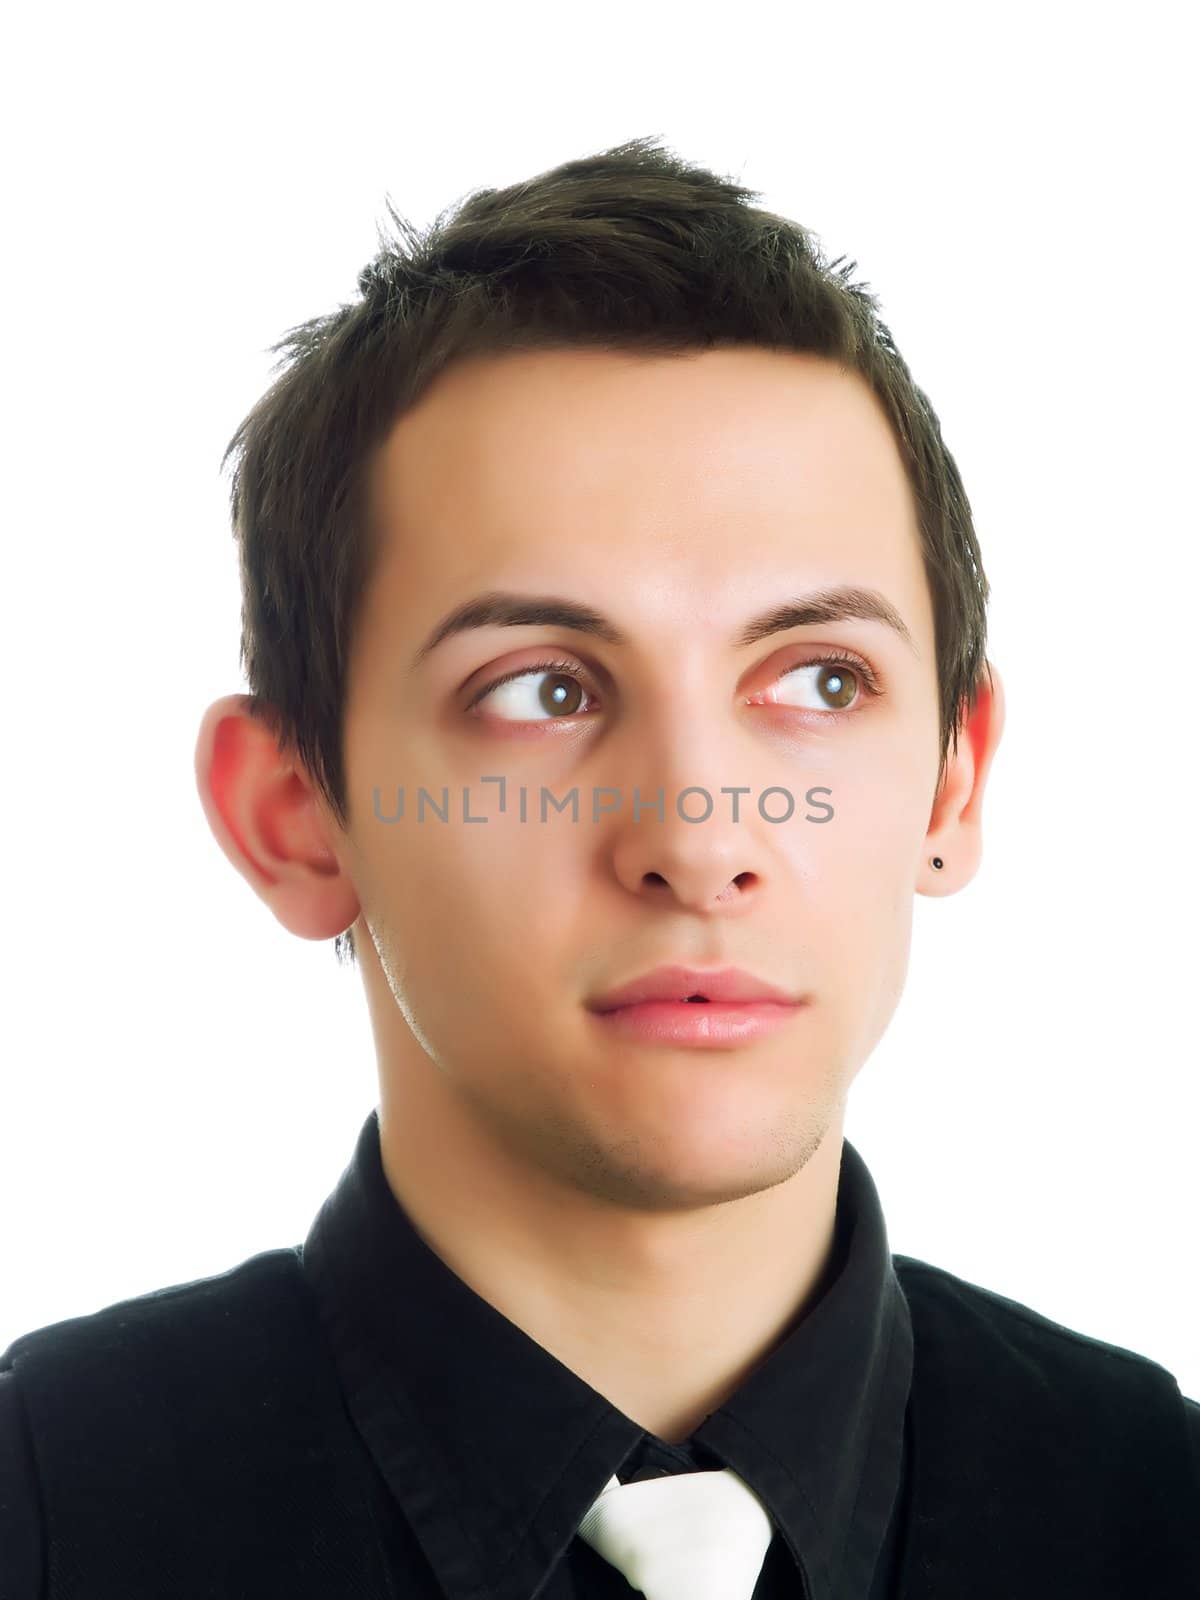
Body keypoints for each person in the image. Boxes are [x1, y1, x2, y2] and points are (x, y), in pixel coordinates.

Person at [2, 134, 1196, 1600]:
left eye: (819, 682)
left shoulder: (1157, 1511)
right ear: (294, 814)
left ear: (955, 775)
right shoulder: (49, 1520)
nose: (700, 845)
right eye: (542, 689)